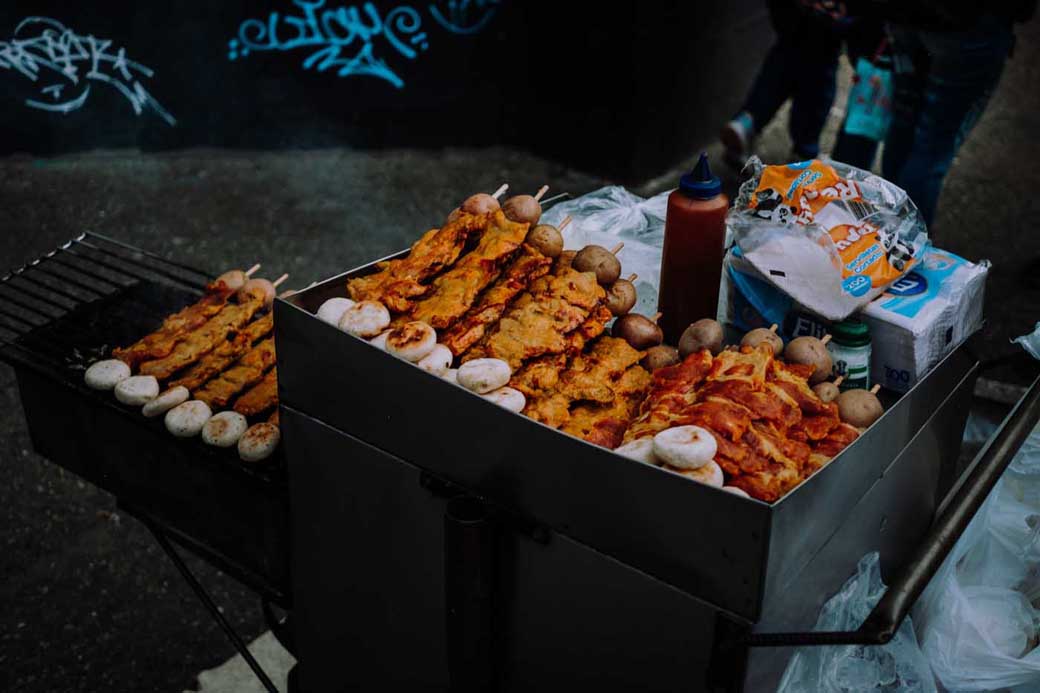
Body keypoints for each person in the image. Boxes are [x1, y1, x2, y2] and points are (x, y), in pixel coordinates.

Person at [721, 0, 884, 169]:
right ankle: (804, 153)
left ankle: (747, 121)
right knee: (816, 87)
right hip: (826, 29)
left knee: (782, 65)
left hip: (795, 18)